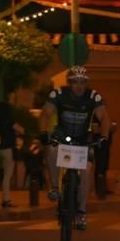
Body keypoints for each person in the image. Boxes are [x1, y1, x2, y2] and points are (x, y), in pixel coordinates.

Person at [38, 66, 110, 230]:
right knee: (51, 149)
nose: (79, 86)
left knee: (87, 169)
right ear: (69, 83)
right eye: (75, 82)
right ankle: (55, 187)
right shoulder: (58, 94)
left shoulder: (93, 96)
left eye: (82, 82)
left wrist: (104, 137)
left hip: (83, 140)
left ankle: (81, 211)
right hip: (63, 136)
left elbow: (104, 117)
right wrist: (43, 132)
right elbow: (45, 114)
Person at [0, 94, 23, 207]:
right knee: (7, 175)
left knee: (0, 174)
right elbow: (21, 130)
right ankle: (6, 200)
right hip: (9, 149)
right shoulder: (9, 121)